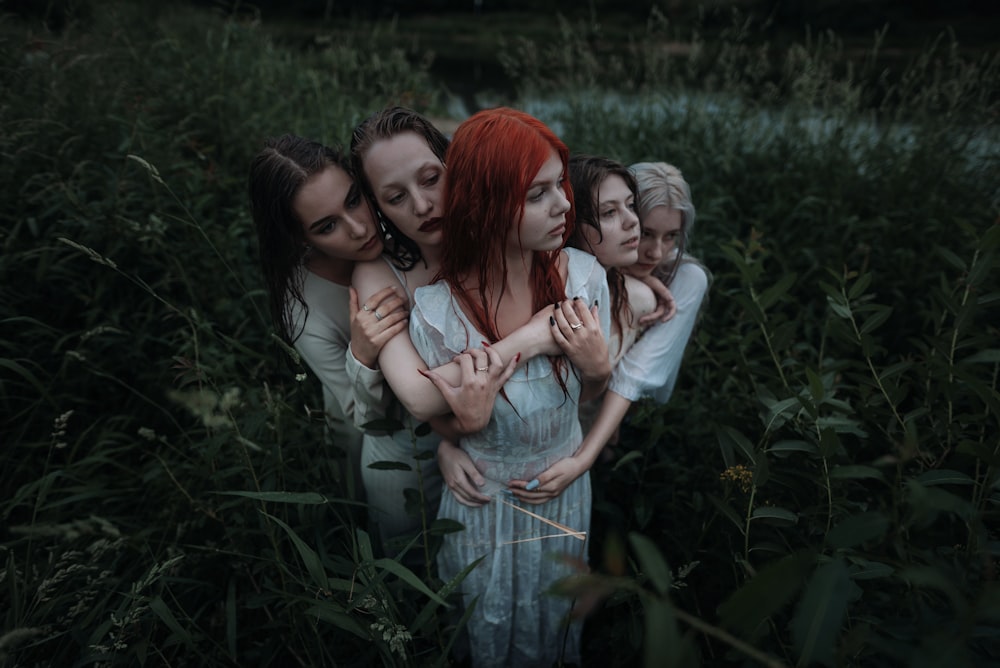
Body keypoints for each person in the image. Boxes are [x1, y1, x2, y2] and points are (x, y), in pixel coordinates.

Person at [408, 107, 612, 667]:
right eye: (538, 193)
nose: (565, 204)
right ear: (488, 202)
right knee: (485, 623)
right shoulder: (437, 313)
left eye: (560, 185)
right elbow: (442, 414)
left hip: (562, 490)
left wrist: (597, 366)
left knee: (554, 622)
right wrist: (451, 441)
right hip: (483, 500)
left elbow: (590, 398)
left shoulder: (585, 278)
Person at [348, 107, 540, 555]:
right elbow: (419, 395)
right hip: (407, 463)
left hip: (504, 455)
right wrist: (535, 337)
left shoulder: (503, 237)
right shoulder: (380, 272)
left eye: (431, 178)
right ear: (377, 206)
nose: (420, 205)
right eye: (395, 197)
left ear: (456, 165)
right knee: (410, 585)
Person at [248, 134, 404, 498]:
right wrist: (362, 356)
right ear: (300, 238)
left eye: (354, 199)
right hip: (376, 448)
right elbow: (366, 420)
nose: (360, 228)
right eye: (327, 226)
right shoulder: (304, 308)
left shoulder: (399, 219)